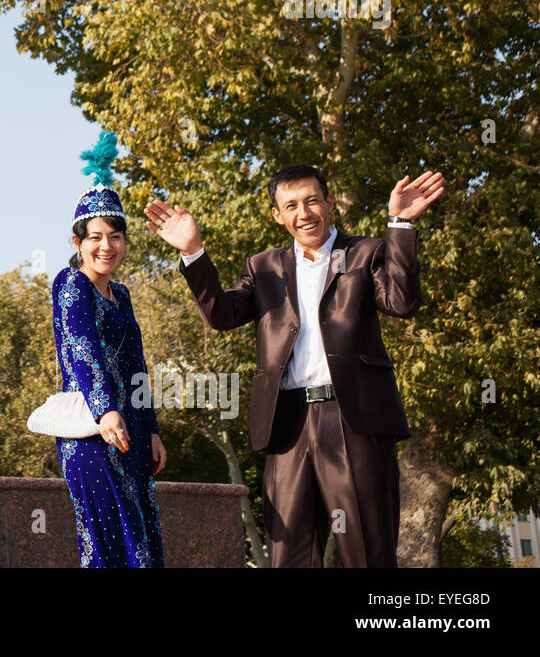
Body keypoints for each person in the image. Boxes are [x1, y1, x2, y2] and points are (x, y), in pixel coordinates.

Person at [144, 165, 443, 567]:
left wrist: (400, 224)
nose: (304, 212)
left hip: (354, 422)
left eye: (312, 201)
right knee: (289, 555)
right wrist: (193, 252)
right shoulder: (263, 267)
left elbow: (402, 303)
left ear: (329, 203)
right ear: (278, 215)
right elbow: (222, 315)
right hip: (288, 427)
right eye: (291, 205)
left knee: (367, 553)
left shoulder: (365, 253)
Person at [52, 181, 166, 567]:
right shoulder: (71, 284)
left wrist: (150, 428)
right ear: (77, 242)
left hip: (129, 429)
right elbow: (82, 349)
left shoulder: (123, 294)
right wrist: (105, 411)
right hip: (91, 431)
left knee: (139, 537)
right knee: (106, 541)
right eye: (96, 237)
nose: (106, 247)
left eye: (115, 237)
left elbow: (137, 364)